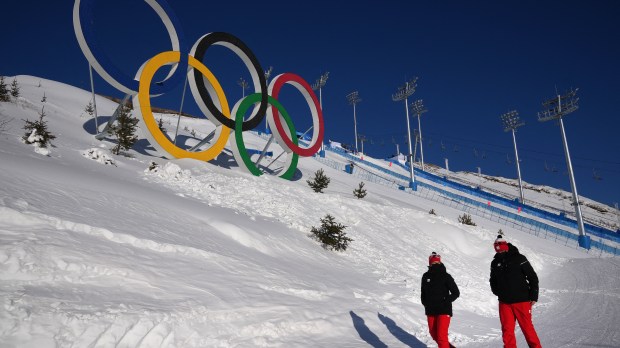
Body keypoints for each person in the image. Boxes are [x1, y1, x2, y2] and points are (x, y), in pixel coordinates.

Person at [490, 235, 542, 348]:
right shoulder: (495, 263)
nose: (499, 251)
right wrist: (498, 292)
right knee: (507, 330)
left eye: (501, 248)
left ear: (506, 246)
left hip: (522, 301)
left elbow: (532, 277)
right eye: (497, 248)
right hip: (504, 303)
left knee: (527, 329)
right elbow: (493, 280)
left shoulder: (519, 258)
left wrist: (533, 295)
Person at [421, 252, 460, 348]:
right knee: (434, 335)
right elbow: (423, 292)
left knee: (441, 337)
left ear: (440, 263)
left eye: (437, 263)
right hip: (430, 310)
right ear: (430, 263)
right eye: (433, 263)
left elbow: (456, 292)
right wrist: (425, 302)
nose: (435, 265)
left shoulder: (446, 276)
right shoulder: (426, 276)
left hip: (444, 310)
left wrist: (446, 301)